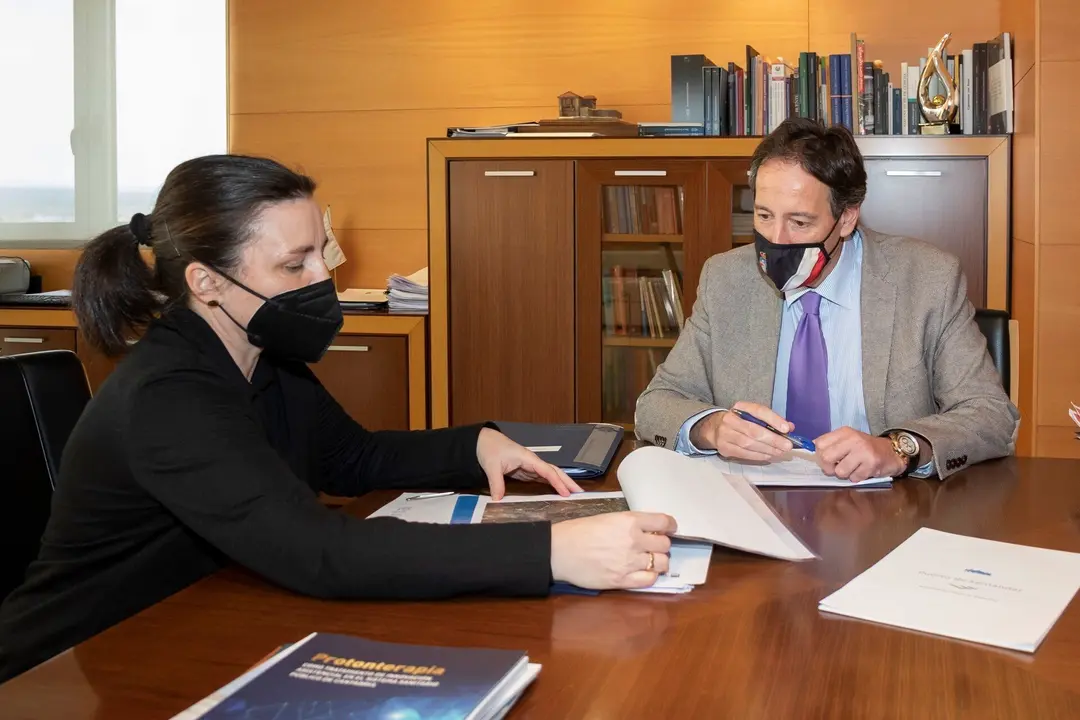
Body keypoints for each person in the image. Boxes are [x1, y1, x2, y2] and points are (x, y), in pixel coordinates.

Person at [0, 155, 676, 683]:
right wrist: (552, 551)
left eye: (319, 251)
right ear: (206, 282)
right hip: (79, 661)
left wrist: (475, 446)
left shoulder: (262, 353)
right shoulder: (169, 397)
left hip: (201, 616)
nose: (322, 277)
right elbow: (319, 552)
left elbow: (350, 459)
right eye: (294, 264)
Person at [635, 118, 1019, 482]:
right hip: (755, 500)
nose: (777, 239)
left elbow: (990, 415)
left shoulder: (927, 280)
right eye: (764, 216)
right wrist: (711, 427)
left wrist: (899, 448)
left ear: (847, 218)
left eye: (800, 222)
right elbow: (657, 403)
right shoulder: (727, 279)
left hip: (887, 507)